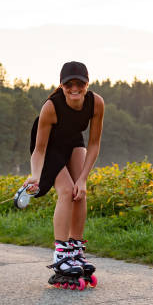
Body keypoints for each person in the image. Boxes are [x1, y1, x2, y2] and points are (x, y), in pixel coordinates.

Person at [23, 61, 104, 288]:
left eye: (80, 83)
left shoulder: (96, 103)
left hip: (72, 141)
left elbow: (94, 144)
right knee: (67, 191)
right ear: (62, 85)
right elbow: (39, 150)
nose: (75, 88)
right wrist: (35, 176)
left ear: (87, 84)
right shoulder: (51, 106)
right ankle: (61, 255)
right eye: (69, 84)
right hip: (49, 147)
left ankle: (76, 251)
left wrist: (84, 178)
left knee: (79, 192)